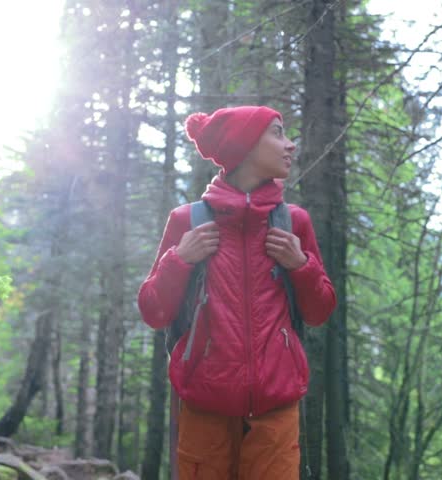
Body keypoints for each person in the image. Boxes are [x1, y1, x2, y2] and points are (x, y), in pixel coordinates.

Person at [138, 105, 337, 479]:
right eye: (277, 133)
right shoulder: (188, 221)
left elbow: (319, 311)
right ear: (243, 145)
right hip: (203, 407)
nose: (290, 145)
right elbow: (153, 311)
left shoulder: (293, 221)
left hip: (275, 411)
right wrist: (179, 259)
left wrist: (300, 264)